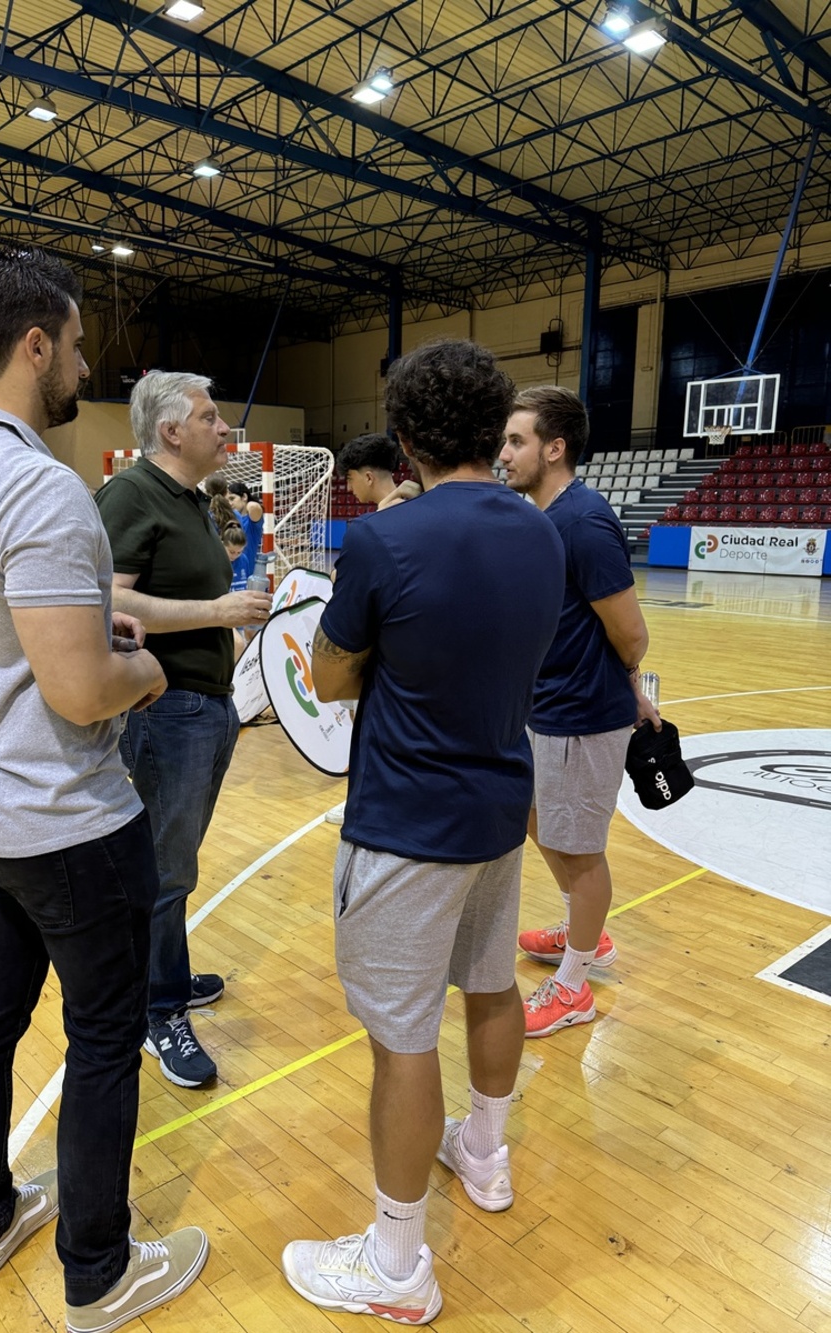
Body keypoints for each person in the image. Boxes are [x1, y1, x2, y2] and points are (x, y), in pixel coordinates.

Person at [0, 246, 208, 1333]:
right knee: (104, 1035)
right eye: (76, 345)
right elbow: (82, 691)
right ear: (36, 343)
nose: (83, 364)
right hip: (66, 824)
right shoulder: (35, 483)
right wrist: (150, 667)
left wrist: (82, 642)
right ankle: (99, 1271)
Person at [281, 340, 565, 1324]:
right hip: (496, 811)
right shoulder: (542, 534)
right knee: (490, 985)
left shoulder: (382, 542)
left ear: (403, 440)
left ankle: (398, 1263)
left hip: (403, 824)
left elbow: (326, 676)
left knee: (401, 1042)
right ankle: (483, 1155)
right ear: (496, 432)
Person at [96, 371, 272, 1089]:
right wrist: (218, 614)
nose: (224, 428)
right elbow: (108, 601)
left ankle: (163, 972)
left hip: (204, 708)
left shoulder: (191, 501)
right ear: (171, 431)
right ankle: (157, 1008)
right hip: (164, 711)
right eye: (211, 415)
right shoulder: (131, 494)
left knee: (175, 865)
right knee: (166, 871)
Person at [499, 386, 660, 1038]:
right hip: (548, 708)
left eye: (517, 440)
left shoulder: (584, 522)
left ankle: (573, 987)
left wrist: (630, 688)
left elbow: (632, 633)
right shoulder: (545, 516)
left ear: (554, 447)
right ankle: (582, 925)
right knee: (539, 819)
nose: (504, 453)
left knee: (581, 849)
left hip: (585, 715)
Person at [335, 431, 403, 507]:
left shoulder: (370, 519)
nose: (349, 488)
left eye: (350, 479)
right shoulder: (415, 508)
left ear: (369, 478)